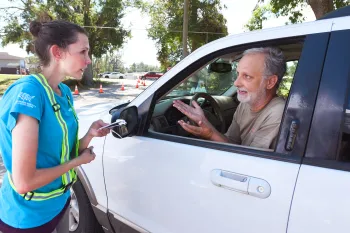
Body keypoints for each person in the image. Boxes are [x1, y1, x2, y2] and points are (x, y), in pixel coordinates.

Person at [0, 20, 110, 233]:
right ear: (57, 52)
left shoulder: (64, 92)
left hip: (59, 204)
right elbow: (25, 182)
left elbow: (58, 154)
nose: (88, 60)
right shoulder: (29, 93)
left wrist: (89, 136)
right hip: (27, 218)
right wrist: (79, 161)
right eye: (83, 52)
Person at [173, 47, 286, 149]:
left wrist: (210, 134)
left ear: (270, 82)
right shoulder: (245, 105)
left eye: (247, 76)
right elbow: (231, 142)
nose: (236, 83)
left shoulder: (278, 112)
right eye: (238, 74)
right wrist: (204, 122)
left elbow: (251, 161)